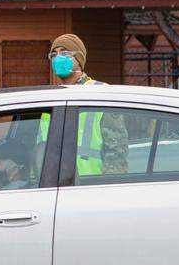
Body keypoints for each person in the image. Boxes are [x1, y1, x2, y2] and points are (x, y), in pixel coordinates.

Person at [46, 34, 129, 175]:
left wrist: (109, 184)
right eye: (54, 54)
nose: (58, 58)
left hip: (90, 184)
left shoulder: (100, 94)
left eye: (65, 53)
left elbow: (116, 153)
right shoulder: (50, 98)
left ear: (79, 59)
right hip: (52, 183)